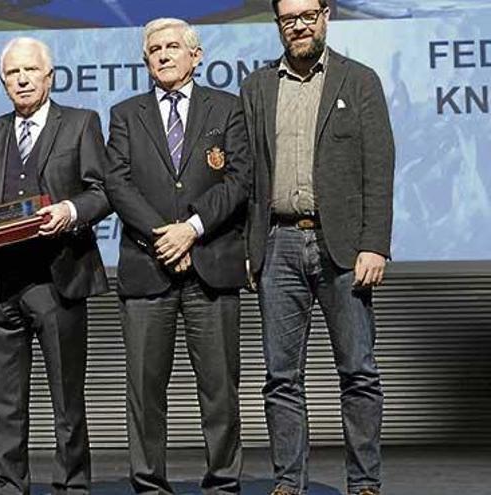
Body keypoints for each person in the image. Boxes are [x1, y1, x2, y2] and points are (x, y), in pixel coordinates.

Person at [239, 1, 394, 494]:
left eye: (308, 15)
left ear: (326, 15)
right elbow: (248, 177)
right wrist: (249, 246)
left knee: (359, 372)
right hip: (277, 244)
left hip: (344, 247)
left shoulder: (360, 80)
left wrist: (375, 244)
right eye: (289, 18)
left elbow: (379, 168)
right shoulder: (257, 86)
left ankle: (364, 483)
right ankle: (289, 482)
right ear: (278, 24)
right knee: (281, 378)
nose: (299, 26)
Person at [104, 17, 251, 495]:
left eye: (172, 47)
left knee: (220, 390)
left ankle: (224, 484)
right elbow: (117, 183)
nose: (163, 55)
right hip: (148, 268)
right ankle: (149, 485)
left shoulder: (228, 109)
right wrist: (162, 236)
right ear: (145, 60)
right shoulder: (126, 113)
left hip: (212, 265)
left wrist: (190, 230)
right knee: (145, 394)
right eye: (154, 49)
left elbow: (239, 181)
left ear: (196, 55)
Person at [0, 36, 110, 494]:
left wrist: (69, 211)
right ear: (3, 81)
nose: (22, 79)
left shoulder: (81, 123)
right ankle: (10, 486)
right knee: (5, 403)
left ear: (49, 76)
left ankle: (71, 487)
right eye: (13, 73)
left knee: (67, 399)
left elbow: (102, 191)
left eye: (30, 70)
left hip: (58, 279)